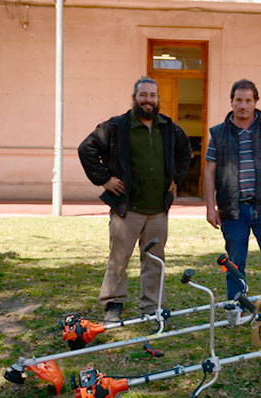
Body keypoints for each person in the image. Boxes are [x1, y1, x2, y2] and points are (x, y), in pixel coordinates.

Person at [78, 77, 191, 323]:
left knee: (155, 261)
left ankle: (151, 308)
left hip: (158, 210)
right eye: (143, 95)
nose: (148, 100)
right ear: (134, 98)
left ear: (158, 99)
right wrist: (104, 179)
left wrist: (175, 178)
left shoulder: (169, 128)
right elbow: (86, 149)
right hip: (127, 210)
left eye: (152, 95)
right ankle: (113, 305)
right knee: (118, 260)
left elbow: (185, 152)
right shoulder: (116, 127)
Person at [204, 78, 261, 302]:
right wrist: (210, 208)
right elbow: (209, 172)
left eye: (248, 101)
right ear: (231, 102)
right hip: (233, 210)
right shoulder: (218, 134)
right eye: (238, 100)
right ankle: (236, 308)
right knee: (234, 264)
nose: (243, 105)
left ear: (255, 102)